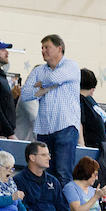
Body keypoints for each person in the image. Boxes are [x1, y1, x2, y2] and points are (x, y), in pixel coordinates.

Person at [20, 34, 82, 180]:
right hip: (44, 129)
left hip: (65, 127)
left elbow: (55, 78)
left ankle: (62, 203)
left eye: (47, 47)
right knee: (44, 174)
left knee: (63, 172)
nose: (43, 51)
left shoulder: (71, 66)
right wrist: (47, 88)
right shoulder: (38, 70)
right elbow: (25, 94)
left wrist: (39, 85)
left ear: (59, 48)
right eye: (42, 48)